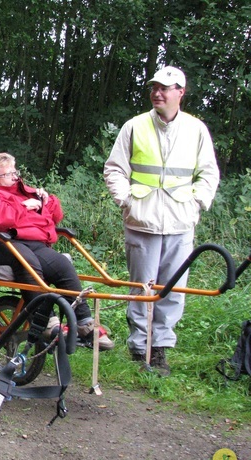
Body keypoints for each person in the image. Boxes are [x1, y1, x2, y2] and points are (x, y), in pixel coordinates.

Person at [104, 66, 219, 376]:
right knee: (142, 287)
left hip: (181, 222)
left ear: (180, 92)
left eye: (165, 88)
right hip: (142, 220)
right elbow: (114, 168)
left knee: (173, 289)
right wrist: (126, 201)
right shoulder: (134, 126)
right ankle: (139, 349)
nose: (158, 92)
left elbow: (208, 172)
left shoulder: (196, 129)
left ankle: (161, 352)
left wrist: (196, 203)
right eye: (155, 87)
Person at [0, 152, 114, 350]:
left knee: (62, 266)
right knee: (27, 261)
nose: (14, 177)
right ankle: (47, 321)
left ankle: (84, 322)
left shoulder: (22, 191)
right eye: (7, 174)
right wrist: (24, 206)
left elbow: (55, 217)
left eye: (15, 172)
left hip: (28, 242)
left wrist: (47, 201)